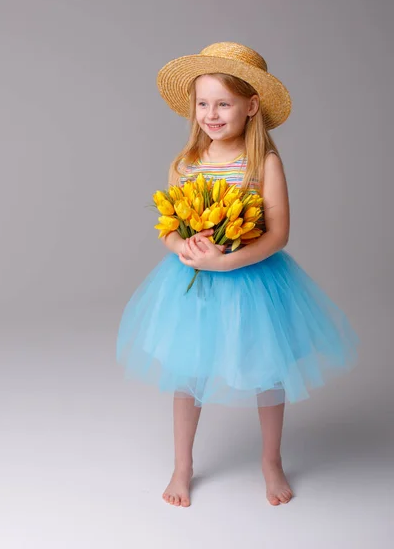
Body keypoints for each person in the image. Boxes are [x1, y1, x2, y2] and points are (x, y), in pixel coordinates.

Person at [116, 42, 359, 508]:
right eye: (203, 103)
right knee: (187, 375)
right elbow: (169, 227)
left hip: (250, 280)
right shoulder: (184, 164)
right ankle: (182, 466)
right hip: (195, 286)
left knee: (267, 371)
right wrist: (182, 246)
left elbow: (279, 233)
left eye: (223, 103)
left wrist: (226, 260)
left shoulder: (263, 163)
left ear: (251, 107)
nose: (211, 114)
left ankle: (271, 461)